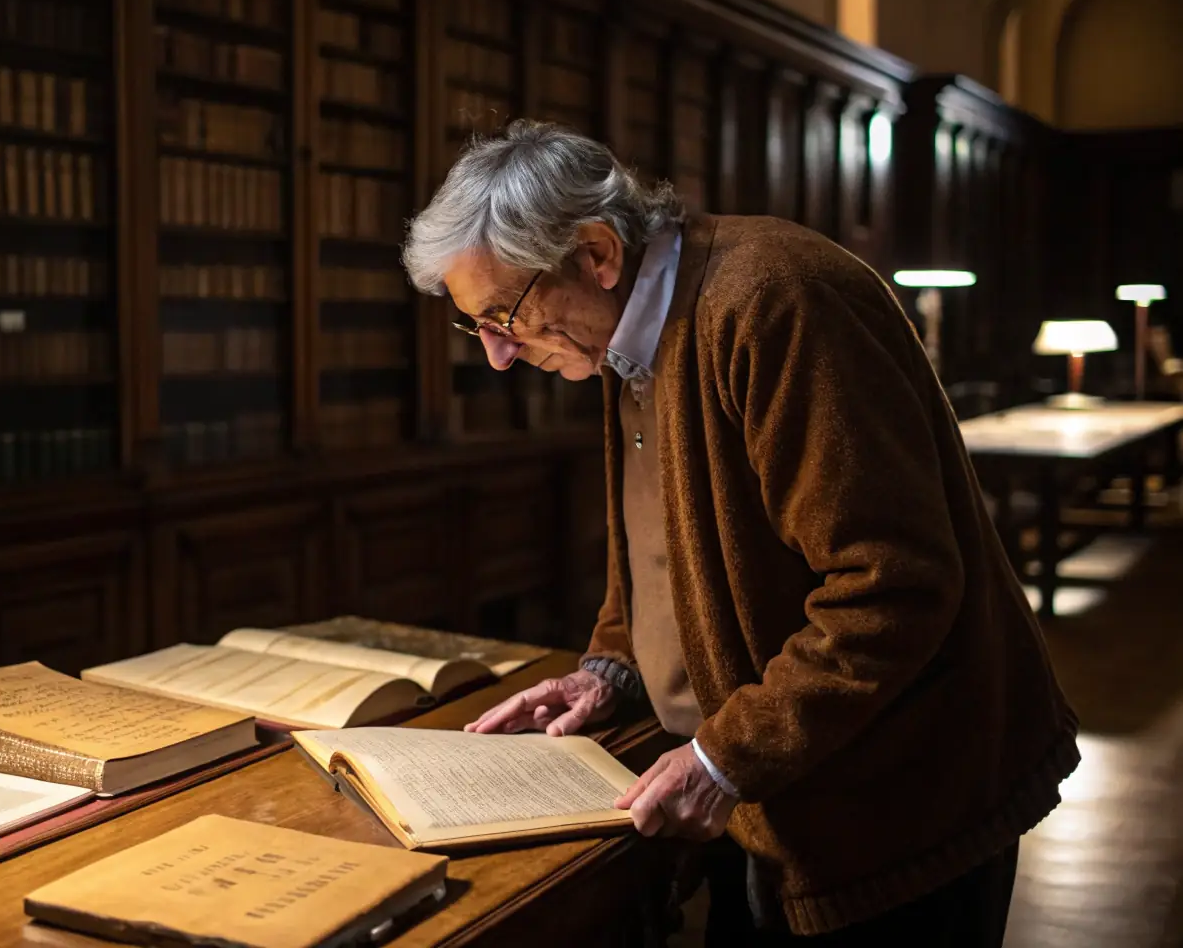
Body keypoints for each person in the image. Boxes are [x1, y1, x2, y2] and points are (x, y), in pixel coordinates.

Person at [401, 121, 1080, 946]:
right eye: (476, 326)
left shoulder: (772, 300)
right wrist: (611, 669)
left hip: (894, 804)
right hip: (772, 786)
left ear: (595, 253)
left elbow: (891, 586)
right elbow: (659, 552)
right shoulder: (625, 333)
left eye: (505, 315)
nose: (500, 355)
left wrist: (724, 758)